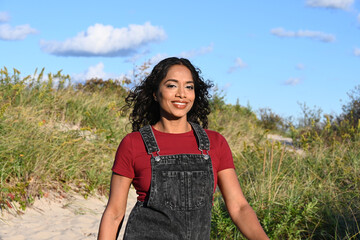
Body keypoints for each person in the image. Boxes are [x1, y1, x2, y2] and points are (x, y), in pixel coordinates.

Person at [98, 57, 269, 240]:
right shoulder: (133, 143)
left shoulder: (215, 143)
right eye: (172, 86)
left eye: (189, 87)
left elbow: (239, 207)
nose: (182, 94)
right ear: (155, 93)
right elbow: (114, 213)